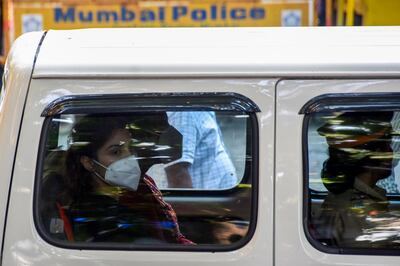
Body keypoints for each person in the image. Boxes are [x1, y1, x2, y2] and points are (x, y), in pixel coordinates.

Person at [56, 115, 193, 244]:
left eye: (130, 149)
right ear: (89, 163)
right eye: (116, 152)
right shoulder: (95, 215)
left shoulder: (138, 191)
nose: (129, 158)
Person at [316, 111, 398, 248]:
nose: (392, 152)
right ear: (376, 154)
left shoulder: (350, 198)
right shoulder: (356, 212)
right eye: (387, 146)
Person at [164, 111, 237, 189]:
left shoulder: (198, 106)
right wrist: (189, 200)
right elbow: (177, 172)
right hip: (206, 195)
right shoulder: (184, 113)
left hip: (217, 190)